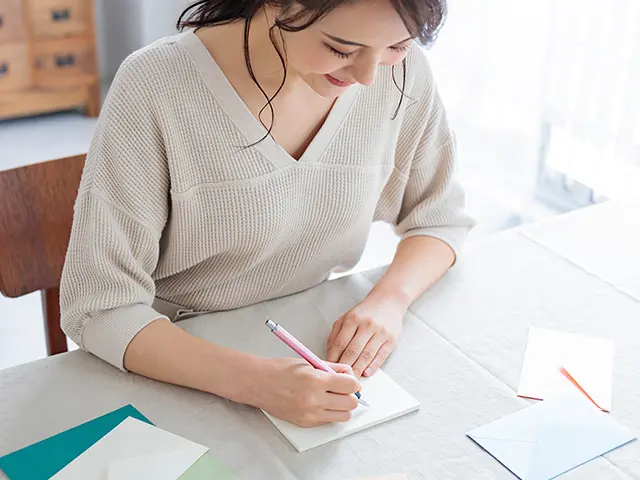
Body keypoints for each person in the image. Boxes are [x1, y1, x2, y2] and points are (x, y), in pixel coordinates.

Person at [60, 0, 475, 427]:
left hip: (307, 345)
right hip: (173, 366)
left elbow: (440, 217)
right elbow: (99, 309)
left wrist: (389, 302)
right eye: (340, 49)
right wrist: (257, 382)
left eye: (398, 46)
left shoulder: (401, 74)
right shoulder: (156, 87)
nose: (368, 77)